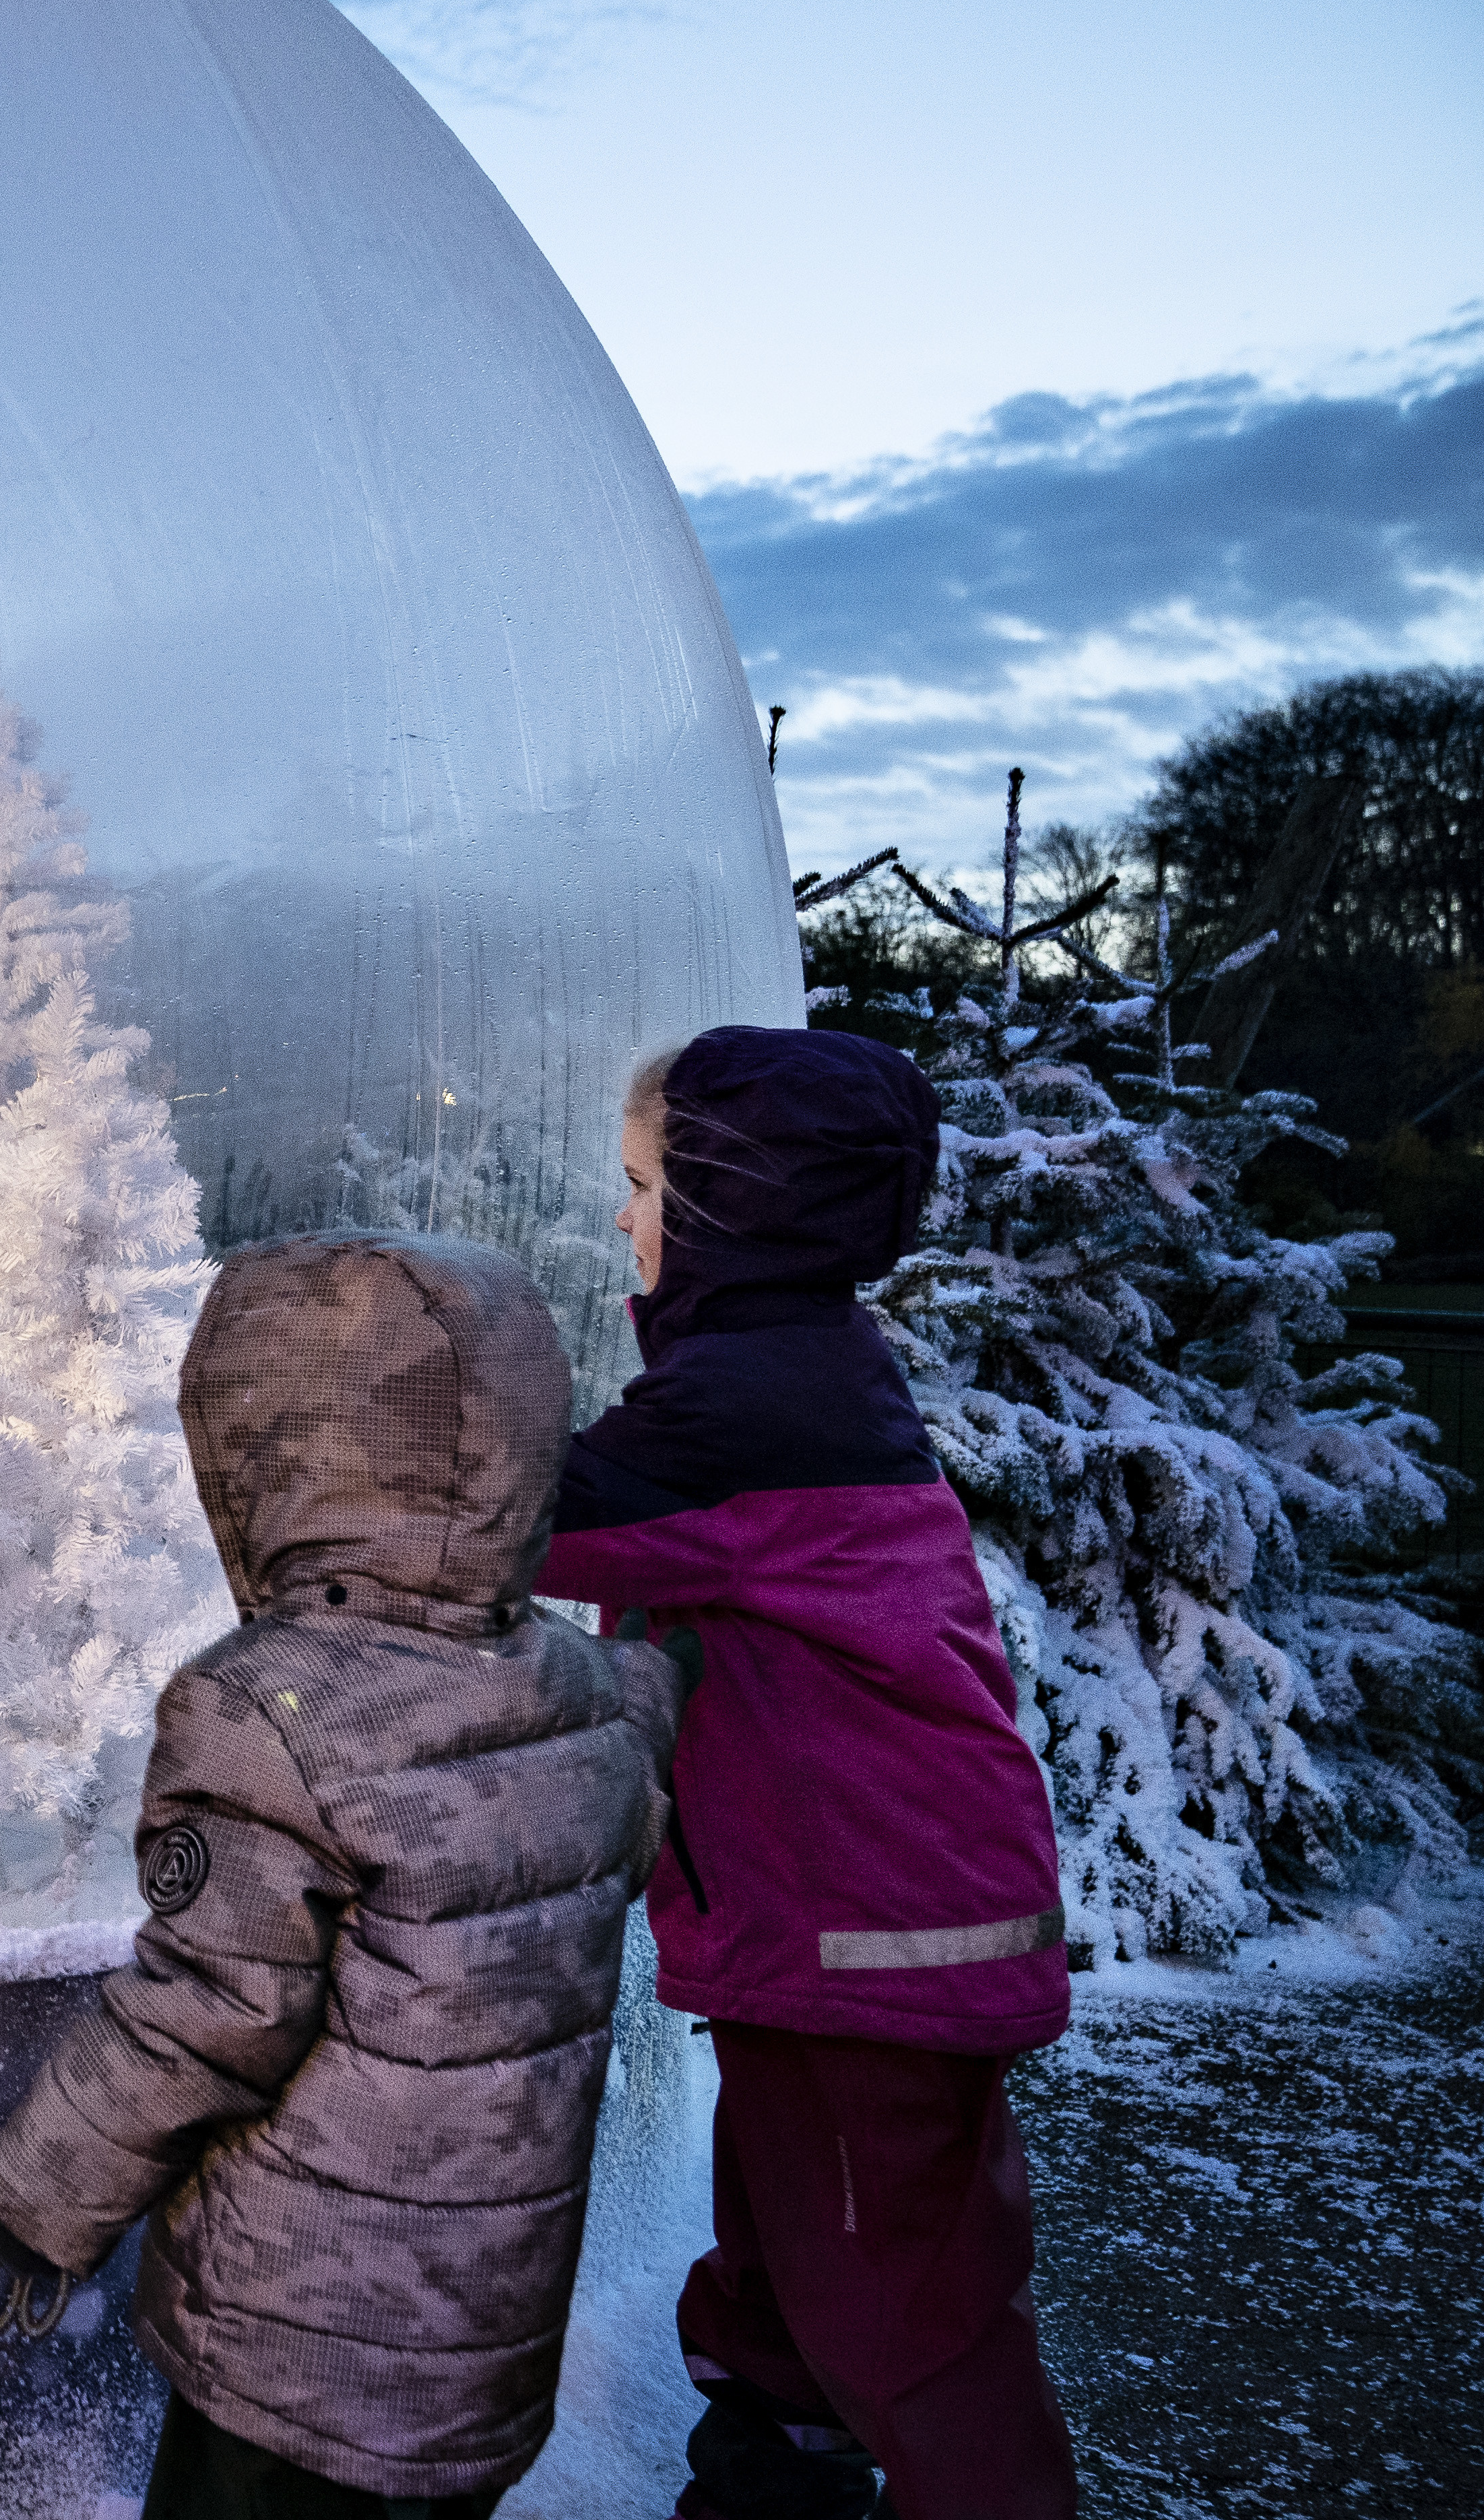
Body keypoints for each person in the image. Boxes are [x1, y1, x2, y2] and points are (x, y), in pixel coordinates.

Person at [0, 1230, 681, 2519]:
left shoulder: (271, 1713)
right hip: (480, 2358)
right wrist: (668, 1667)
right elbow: (630, 1777)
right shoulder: (577, 1694)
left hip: (292, 2357)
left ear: (279, 1461)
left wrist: (43, 2196)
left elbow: (210, 2006)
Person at [542, 1025, 1077, 2520]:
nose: (623, 1219)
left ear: (730, 1207)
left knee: (910, 2318)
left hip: (872, 1932)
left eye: (644, 1184)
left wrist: (359, 1406)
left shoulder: (748, 1405)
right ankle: (773, 2482)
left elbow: (520, 1517)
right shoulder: (795, 1371)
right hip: (852, 1925)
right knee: (791, 2257)